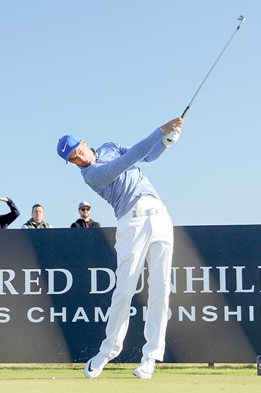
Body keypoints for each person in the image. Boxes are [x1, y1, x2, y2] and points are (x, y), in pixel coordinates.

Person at [56, 117, 184, 379]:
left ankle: (150, 358)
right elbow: (129, 160)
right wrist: (160, 130)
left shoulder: (109, 145)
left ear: (83, 142)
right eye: (72, 159)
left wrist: (166, 141)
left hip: (160, 215)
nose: (78, 158)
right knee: (124, 290)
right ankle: (107, 352)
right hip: (132, 221)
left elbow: (147, 157)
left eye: (77, 151)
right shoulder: (91, 176)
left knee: (160, 289)